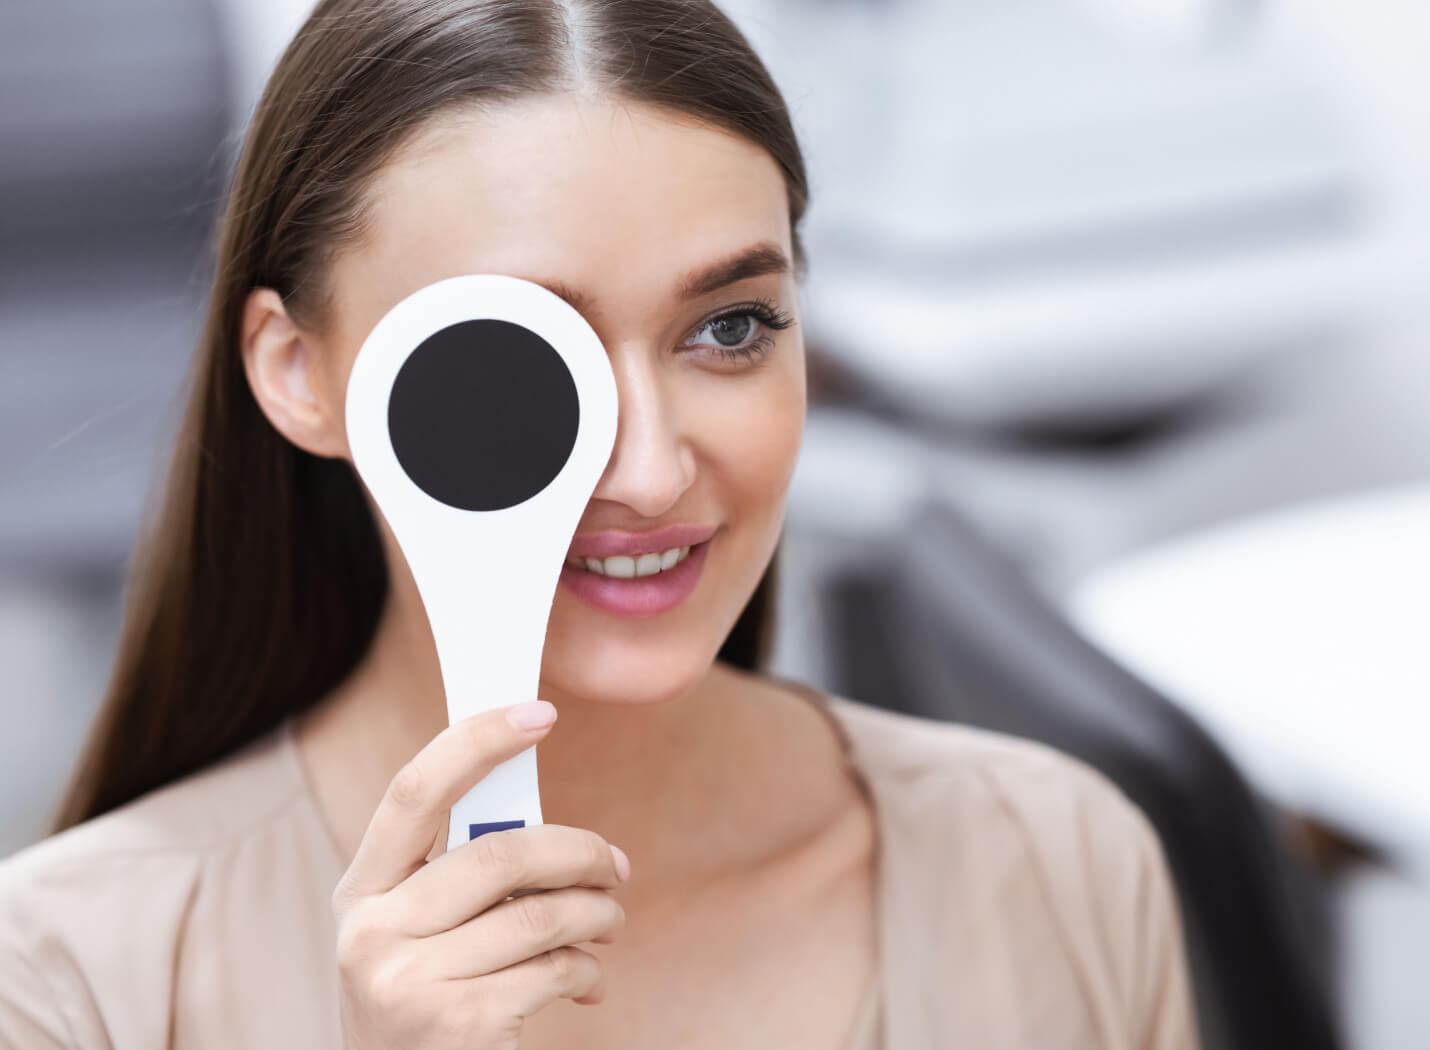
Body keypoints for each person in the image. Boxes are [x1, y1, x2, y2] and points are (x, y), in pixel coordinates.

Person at [0, 1, 1200, 1047]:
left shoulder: (1060, 860)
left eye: (729, 328)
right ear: (299, 373)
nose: (647, 469)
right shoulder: (62, 980)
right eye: (520, 357)